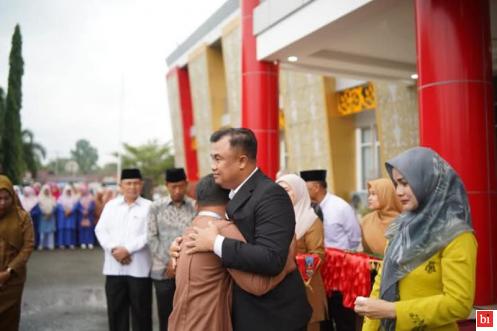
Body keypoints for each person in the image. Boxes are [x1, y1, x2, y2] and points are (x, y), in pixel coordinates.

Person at [184, 127, 311, 331]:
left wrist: (215, 243)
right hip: (249, 313)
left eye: (218, 158)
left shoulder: (270, 195)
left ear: (242, 161)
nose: (213, 166)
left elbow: (271, 259)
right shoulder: (234, 194)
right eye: (212, 159)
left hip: (273, 317)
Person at [354, 147, 477, 331]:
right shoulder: (401, 228)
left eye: (405, 183)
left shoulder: (456, 235)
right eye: (396, 184)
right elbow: (380, 285)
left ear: (428, 181)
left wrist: (393, 311)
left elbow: (459, 303)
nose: (399, 192)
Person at [169, 174, 297, 331]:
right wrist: (287, 259)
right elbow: (258, 285)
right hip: (206, 324)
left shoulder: (190, 229)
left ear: (197, 204)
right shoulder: (221, 230)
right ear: (231, 200)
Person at [300, 169, 361, 331]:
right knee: (323, 317)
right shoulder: (306, 209)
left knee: (342, 317)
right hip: (318, 271)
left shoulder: (340, 207)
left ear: (316, 187)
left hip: (340, 272)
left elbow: (355, 238)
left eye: (305, 187)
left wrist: (339, 259)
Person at [95, 168, 153, 331]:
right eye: (128, 183)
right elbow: (100, 230)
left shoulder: (149, 207)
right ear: (121, 186)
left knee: (142, 314)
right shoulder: (111, 206)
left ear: (141, 185)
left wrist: (127, 249)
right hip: (114, 270)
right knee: (116, 313)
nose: (132, 187)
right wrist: (114, 249)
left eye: (136, 183)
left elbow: (150, 233)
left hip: (139, 270)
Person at [276, 174, 328, 331]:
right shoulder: (276, 217)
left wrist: (287, 261)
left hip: (306, 288)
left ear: (299, 191)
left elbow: (317, 256)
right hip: (280, 286)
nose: (281, 194)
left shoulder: (311, 220)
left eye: (286, 190)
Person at [147, 167, 195, 331]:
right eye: (173, 186)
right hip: (162, 271)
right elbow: (151, 237)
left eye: (181, 186)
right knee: (166, 316)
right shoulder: (155, 207)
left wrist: (179, 263)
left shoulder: (195, 207)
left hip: (189, 271)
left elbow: (196, 236)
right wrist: (170, 261)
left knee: (188, 316)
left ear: (186, 184)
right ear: (167, 185)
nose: (177, 190)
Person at [0, 175, 35, 331]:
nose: (2, 203)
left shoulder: (22, 217)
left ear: (12, 196)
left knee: (9, 319)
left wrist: (9, 270)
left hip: (13, 278)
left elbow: (28, 246)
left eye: (6, 198)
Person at [360, 178, 402, 256]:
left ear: (386, 194)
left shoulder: (403, 223)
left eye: (373, 194)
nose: (369, 198)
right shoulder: (366, 221)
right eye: (369, 194)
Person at [37, 185, 57, 250]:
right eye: (45, 190)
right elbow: (39, 208)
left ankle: (50, 245)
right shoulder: (39, 198)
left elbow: (54, 207)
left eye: (47, 190)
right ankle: (41, 245)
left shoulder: (52, 198)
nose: (46, 192)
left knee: (50, 232)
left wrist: (50, 213)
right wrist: (44, 213)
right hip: (43, 217)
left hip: (50, 217)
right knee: (42, 232)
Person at [77, 184, 96, 249]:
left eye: (83, 190)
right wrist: (82, 211)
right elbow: (78, 206)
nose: (82, 192)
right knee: (82, 229)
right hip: (81, 216)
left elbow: (93, 206)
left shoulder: (91, 197)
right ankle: (83, 242)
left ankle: (90, 242)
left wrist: (88, 211)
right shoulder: (79, 198)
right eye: (81, 190)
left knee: (89, 229)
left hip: (89, 216)